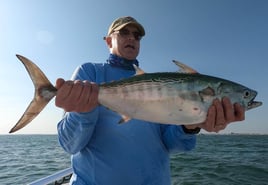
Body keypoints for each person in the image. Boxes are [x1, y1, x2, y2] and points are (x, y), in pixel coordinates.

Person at [56, 16, 245, 185]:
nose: (131, 38)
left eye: (137, 36)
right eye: (124, 32)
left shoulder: (157, 84)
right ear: (108, 41)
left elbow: (171, 144)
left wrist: (190, 125)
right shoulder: (90, 74)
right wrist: (83, 113)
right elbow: (69, 144)